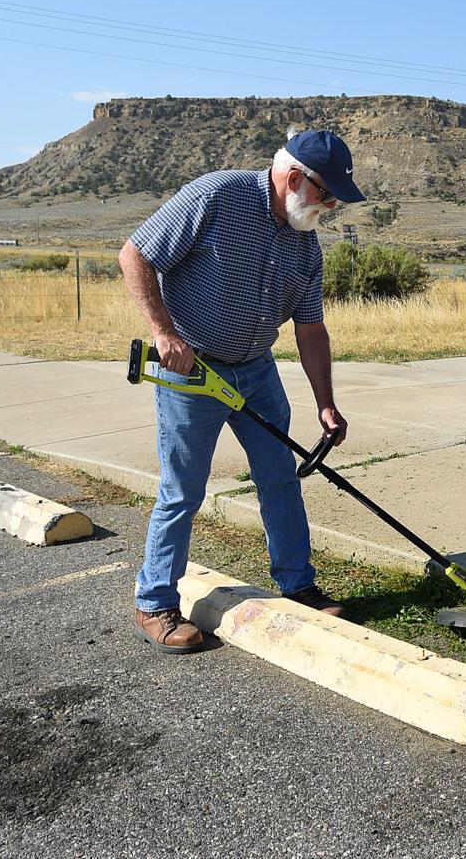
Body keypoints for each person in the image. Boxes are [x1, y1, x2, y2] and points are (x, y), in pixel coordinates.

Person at [118, 129, 366, 653]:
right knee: (183, 489)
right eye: (326, 195)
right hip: (193, 374)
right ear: (294, 179)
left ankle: (298, 585)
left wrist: (326, 403)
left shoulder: (305, 244)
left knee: (280, 478)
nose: (329, 208)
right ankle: (154, 602)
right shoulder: (217, 196)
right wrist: (164, 333)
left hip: (257, 371)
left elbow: (310, 329)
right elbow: (135, 255)